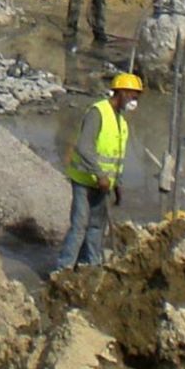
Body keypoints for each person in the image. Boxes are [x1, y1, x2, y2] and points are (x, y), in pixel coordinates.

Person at [56, 72, 142, 271]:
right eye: (132, 95)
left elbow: (117, 156)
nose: (134, 101)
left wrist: (117, 183)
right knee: (80, 226)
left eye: (137, 97)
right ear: (120, 92)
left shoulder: (122, 122)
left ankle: (90, 266)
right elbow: (84, 147)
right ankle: (63, 268)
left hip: (103, 184)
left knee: (96, 227)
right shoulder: (98, 112)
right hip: (85, 179)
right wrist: (100, 175)